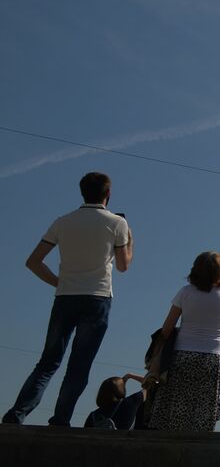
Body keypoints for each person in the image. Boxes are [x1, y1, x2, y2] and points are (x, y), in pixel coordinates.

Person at [4, 172, 133, 427]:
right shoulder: (117, 224)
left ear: (82, 192)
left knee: (48, 362)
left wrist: (58, 281)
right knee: (79, 366)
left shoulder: (62, 222)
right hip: (97, 299)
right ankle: (60, 419)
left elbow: (33, 262)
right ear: (108, 194)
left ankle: (16, 414)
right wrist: (130, 242)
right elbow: (123, 265)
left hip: (65, 297)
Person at [146, 251, 220, 432]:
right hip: (212, 357)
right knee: (202, 406)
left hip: (182, 354)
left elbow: (167, 328)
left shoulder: (185, 292)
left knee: (176, 403)